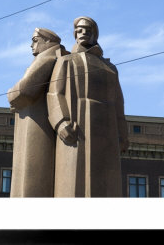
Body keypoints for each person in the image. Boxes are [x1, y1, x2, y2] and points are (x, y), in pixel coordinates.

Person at [47, 17, 128, 197]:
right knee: (75, 182)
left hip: (107, 131)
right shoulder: (66, 61)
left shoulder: (110, 68)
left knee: (107, 183)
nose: (83, 33)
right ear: (75, 34)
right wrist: (61, 123)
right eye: (79, 30)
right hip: (77, 127)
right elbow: (54, 94)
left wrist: (122, 134)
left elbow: (119, 104)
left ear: (95, 35)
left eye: (87, 30)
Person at [7, 28, 68, 197]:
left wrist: (10, 95)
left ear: (48, 42)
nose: (31, 45)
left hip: (35, 124)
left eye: (35, 40)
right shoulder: (50, 57)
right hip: (33, 120)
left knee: (30, 175)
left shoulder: (47, 58)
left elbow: (25, 90)